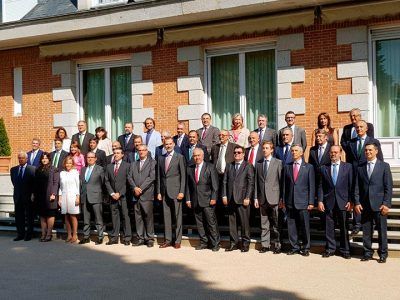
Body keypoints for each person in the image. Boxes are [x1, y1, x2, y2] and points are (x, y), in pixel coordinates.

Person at [354, 142, 393, 263]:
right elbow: (356, 187)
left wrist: (386, 203)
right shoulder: (360, 167)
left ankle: (383, 253)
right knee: (366, 231)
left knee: (382, 231)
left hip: (380, 204)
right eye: (366, 150)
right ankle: (367, 252)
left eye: (370, 150)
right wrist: (356, 202)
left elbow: (388, 187)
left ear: (376, 151)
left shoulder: (384, 166)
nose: (368, 152)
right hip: (365, 205)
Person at [345, 120, 382, 234]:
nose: (359, 129)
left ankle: (374, 222)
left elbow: (379, 158)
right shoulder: (351, 142)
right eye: (357, 127)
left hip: (369, 173)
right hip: (355, 174)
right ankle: (357, 224)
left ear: (366, 129)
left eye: (361, 127)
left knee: (368, 197)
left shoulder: (373, 141)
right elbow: (349, 160)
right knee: (356, 198)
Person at [318, 145, 353, 259]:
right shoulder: (324, 168)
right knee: (329, 227)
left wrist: (350, 200)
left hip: (343, 201)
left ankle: (345, 250)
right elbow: (320, 186)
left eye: (336, 152)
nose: (333, 154)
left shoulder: (348, 167)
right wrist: (320, 201)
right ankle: (330, 249)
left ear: (340, 153)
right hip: (328, 201)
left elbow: (351, 185)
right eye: (331, 152)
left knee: (344, 227)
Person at [282, 144, 315, 256]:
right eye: (292, 151)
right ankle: (294, 247)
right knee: (291, 226)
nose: (293, 153)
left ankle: (306, 247)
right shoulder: (287, 166)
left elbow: (311, 185)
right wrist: (283, 200)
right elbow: (284, 185)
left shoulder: (309, 167)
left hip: (303, 202)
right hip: (290, 201)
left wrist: (311, 202)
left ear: (301, 153)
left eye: (296, 151)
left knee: (305, 226)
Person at [186, 148, 220, 251]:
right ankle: (204, 242)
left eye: (198, 155)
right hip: (195, 200)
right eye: (195, 156)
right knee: (199, 223)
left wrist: (214, 198)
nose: (197, 158)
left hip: (207, 199)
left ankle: (215, 243)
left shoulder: (210, 167)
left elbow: (215, 185)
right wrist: (188, 199)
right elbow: (188, 186)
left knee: (211, 223)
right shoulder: (190, 168)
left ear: (203, 155)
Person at [222, 145, 254, 252]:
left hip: (243, 199)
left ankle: (245, 244)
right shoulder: (229, 165)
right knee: (232, 223)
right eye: (235, 152)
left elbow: (250, 183)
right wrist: (224, 195)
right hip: (231, 199)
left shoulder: (248, 166)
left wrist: (248, 197)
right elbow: (225, 181)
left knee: (244, 223)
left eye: (239, 152)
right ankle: (233, 243)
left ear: (243, 154)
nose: (236, 154)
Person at [157, 137, 186, 249]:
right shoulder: (161, 158)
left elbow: (183, 176)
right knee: (166, 217)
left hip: (176, 191)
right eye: (166, 144)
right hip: (164, 192)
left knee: (177, 217)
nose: (168, 146)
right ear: (164, 145)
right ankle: (168, 240)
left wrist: (182, 191)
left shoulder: (179, 157)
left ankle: (177, 240)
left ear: (174, 144)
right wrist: (159, 191)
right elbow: (159, 176)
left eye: (170, 144)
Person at [254, 141, 283, 254]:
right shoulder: (259, 163)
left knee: (276, 223)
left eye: (267, 148)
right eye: (263, 148)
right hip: (262, 198)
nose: (264, 150)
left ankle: (277, 245)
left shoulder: (278, 163)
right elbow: (256, 181)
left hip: (274, 197)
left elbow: (281, 182)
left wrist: (281, 198)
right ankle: (265, 245)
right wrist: (256, 197)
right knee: (264, 224)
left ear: (272, 150)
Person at [128, 145, 156, 248]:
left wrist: (141, 188)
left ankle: (149, 238)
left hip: (147, 194)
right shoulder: (133, 164)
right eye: (139, 150)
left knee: (148, 217)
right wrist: (135, 188)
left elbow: (151, 177)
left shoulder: (152, 162)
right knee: (138, 217)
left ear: (147, 151)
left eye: (143, 150)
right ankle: (140, 238)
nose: (141, 152)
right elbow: (129, 177)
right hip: (135, 194)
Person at [105, 148, 132, 245]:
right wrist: (112, 193)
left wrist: (120, 193)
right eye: (114, 153)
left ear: (122, 155)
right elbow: (106, 181)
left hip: (123, 196)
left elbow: (128, 182)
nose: (116, 155)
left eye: (118, 153)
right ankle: (114, 237)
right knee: (114, 216)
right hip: (113, 197)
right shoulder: (109, 167)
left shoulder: (127, 166)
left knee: (125, 216)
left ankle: (127, 238)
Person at [79, 152, 105, 245]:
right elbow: (81, 183)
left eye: (92, 157)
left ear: (95, 158)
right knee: (86, 219)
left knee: (98, 218)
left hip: (96, 196)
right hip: (84, 196)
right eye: (88, 157)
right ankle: (86, 237)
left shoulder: (100, 169)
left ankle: (100, 236)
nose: (90, 159)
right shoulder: (83, 169)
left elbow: (103, 183)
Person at [34, 152, 60, 242]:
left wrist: (54, 194)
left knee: (50, 215)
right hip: (40, 195)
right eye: (43, 158)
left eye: (46, 158)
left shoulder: (54, 169)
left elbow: (56, 183)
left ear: (49, 159)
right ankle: (43, 233)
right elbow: (36, 183)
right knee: (42, 215)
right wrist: (34, 194)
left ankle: (49, 234)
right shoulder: (38, 169)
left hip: (50, 195)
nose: (44, 159)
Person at [10, 152, 36, 241]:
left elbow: (34, 183)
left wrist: (33, 193)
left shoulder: (32, 169)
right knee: (19, 217)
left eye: (23, 158)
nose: (21, 159)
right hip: (18, 196)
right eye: (19, 158)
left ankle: (29, 234)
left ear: (27, 159)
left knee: (29, 216)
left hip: (28, 196)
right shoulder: (13, 170)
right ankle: (20, 234)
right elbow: (14, 182)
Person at [58, 156, 80, 243]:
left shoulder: (75, 172)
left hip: (72, 196)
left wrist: (78, 197)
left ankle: (75, 235)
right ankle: (69, 235)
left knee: (73, 215)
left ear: (72, 164)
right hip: (64, 196)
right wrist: (59, 197)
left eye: (70, 163)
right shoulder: (62, 173)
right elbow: (60, 186)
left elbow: (78, 185)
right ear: (64, 164)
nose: (68, 165)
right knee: (66, 216)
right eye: (67, 163)